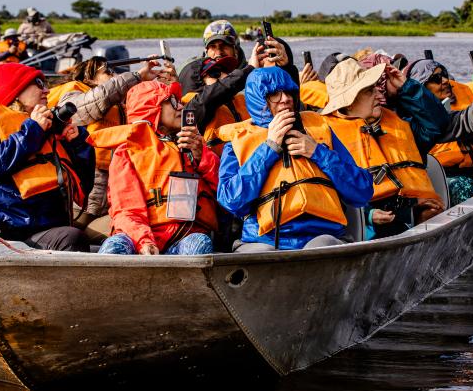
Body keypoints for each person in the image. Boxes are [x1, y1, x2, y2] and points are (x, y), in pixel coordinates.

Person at [217, 67, 373, 252]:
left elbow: (363, 191)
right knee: (263, 254)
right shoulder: (237, 143)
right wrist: (269, 149)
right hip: (264, 240)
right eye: (274, 94)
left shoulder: (321, 129)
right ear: (258, 99)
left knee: (321, 247)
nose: (285, 99)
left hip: (323, 235)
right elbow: (231, 201)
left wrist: (317, 152)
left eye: (289, 92)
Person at [0, 62, 89, 251]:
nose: (47, 90)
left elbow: (84, 185)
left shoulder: (48, 126)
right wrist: (33, 129)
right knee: (72, 237)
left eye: (45, 84)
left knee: (72, 238)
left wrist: (78, 143)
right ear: (15, 92)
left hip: (41, 225)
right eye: (38, 84)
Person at [90, 80, 218, 256]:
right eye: (172, 101)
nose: (181, 106)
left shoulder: (194, 146)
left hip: (184, 236)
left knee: (199, 243)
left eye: (179, 101)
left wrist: (202, 156)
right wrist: (144, 241)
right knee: (115, 246)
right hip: (137, 237)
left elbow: (224, 192)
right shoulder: (126, 152)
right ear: (151, 108)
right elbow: (126, 209)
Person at [320, 60, 445, 239]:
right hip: (366, 226)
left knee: (431, 216)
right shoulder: (327, 138)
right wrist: (368, 215)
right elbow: (327, 196)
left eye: (376, 88)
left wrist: (407, 87)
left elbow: (437, 124)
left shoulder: (398, 123)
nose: (379, 94)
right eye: (369, 90)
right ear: (348, 103)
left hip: (410, 212)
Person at [48, 56, 159, 231]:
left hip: (115, 184)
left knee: (124, 226)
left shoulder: (121, 103)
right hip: (86, 190)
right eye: (108, 72)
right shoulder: (73, 95)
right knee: (77, 230)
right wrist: (136, 76)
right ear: (89, 78)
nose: (115, 76)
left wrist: (158, 83)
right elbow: (95, 100)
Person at [409, 59, 473, 202]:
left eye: (444, 74)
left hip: (470, 174)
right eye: (436, 78)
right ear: (421, 88)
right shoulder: (409, 120)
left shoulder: (452, 115)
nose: (445, 80)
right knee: (464, 186)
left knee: (469, 185)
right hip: (430, 180)